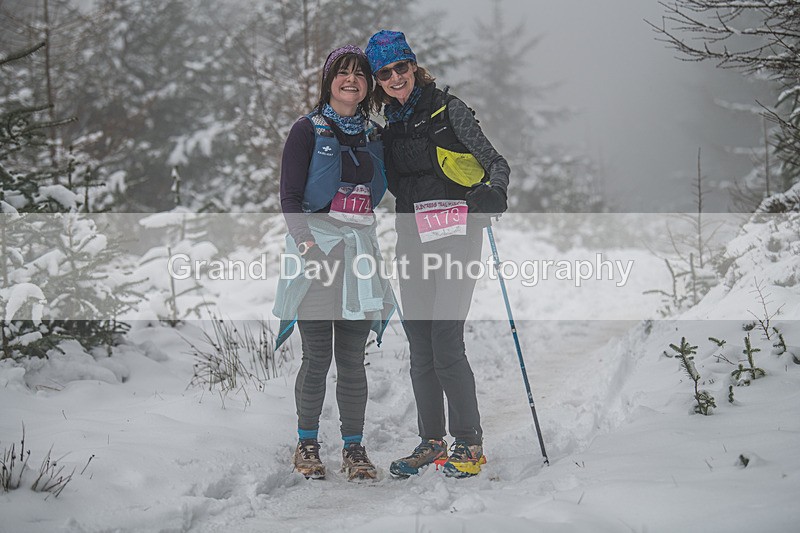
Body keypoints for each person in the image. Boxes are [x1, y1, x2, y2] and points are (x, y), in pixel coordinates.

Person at [365, 30, 510, 478]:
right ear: (377, 79)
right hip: (412, 242)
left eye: (400, 67)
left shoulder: (449, 110)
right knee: (421, 345)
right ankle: (431, 441)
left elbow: (496, 163)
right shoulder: (386, 126)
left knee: (446, 340)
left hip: (458, 238)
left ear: (413, 66)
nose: (395, 77)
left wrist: (493, 193)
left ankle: (468, 443)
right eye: (384, 72)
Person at [273, 45, 394, 482]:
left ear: (368, 85)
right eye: (342, 73)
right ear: (329, 81)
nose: (351, 80)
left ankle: (354, 448)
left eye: (359, 74)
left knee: (352, 360)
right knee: (317, 356)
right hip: (318, 253)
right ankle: (307, 443)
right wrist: (305, 243)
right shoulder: (307, 130)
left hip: (359, 256)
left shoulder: (376, 134)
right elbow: (289, 196)